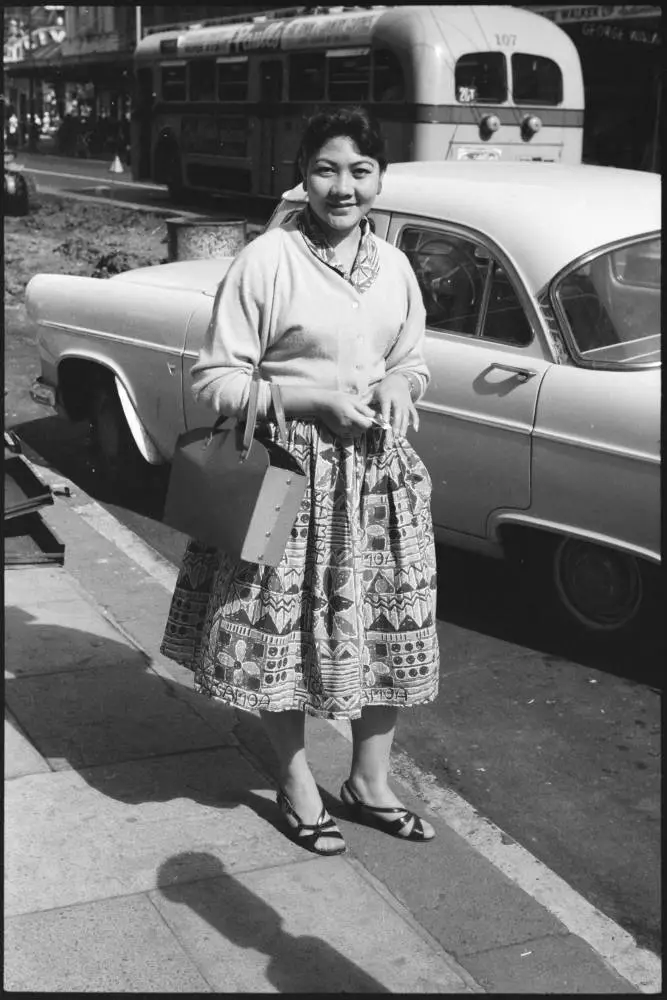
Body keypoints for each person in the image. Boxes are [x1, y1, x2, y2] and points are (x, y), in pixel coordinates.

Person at [161, 106, 439, 856]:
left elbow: (411, 358)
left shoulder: (397, 265)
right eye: (325, 169)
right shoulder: (267, 259)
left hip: (377, 482)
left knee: (385, 631)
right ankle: (296, 783)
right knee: (277, 638)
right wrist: (305, 398)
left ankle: (369, 782)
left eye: (359, 171)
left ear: (379, 177)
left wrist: (399, 387)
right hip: (285, 478)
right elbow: (217, 382)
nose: (342, 188)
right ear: (302, 174)